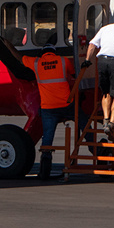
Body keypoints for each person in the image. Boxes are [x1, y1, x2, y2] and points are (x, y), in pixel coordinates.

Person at [21, 45, 79, 178]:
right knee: (83, 121)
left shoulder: (37, 63)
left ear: (43, 54)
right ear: (54, 52)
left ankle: (45, 162)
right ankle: (96, 148)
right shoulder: (63, 60)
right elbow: (72, 73)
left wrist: (8, 46)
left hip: (48, 107)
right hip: (66, 104)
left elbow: (21, 59)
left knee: (47, 135)